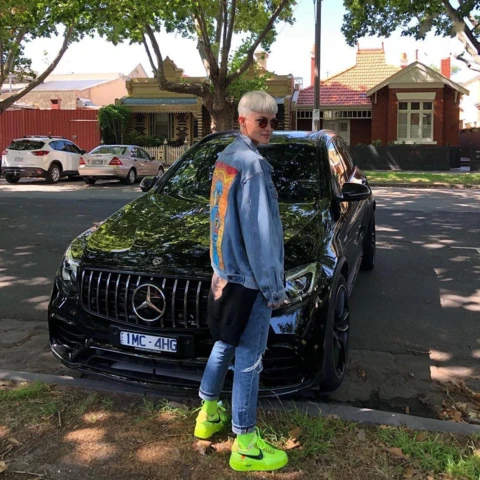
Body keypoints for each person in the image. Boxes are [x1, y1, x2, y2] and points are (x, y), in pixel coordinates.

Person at [194, 91, 288, 472]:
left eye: (273, 121)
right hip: (250, 280)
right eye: (261, 121)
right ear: (242, 120)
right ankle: (245, 443)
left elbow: (218, 221)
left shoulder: (226, 158)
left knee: (225, 342)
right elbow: (259, 235)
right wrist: (273, 288)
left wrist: (219, 266)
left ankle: (207, 413)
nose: (268, 127)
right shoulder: (253, 166)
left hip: (225, 273)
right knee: (250, 357)